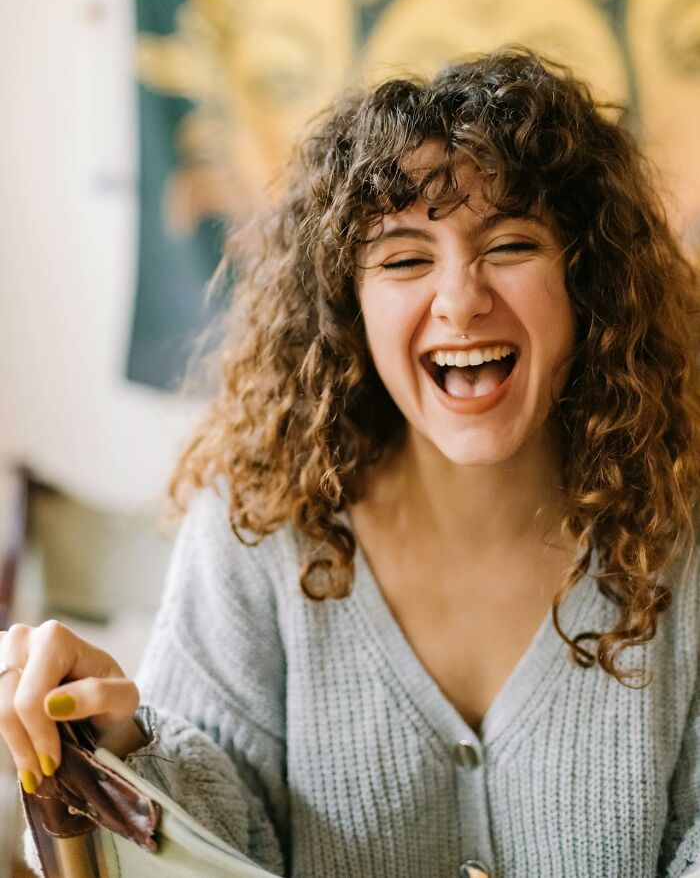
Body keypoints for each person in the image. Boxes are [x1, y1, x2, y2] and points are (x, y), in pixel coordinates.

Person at [1, 49, 699, 878]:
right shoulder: (257, 528)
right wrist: (116, 745)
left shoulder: (681, 532)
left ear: (588, 284)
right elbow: (218, 835)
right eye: (405, 257)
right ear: (347, 307)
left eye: (510, 244)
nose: (460, 298)